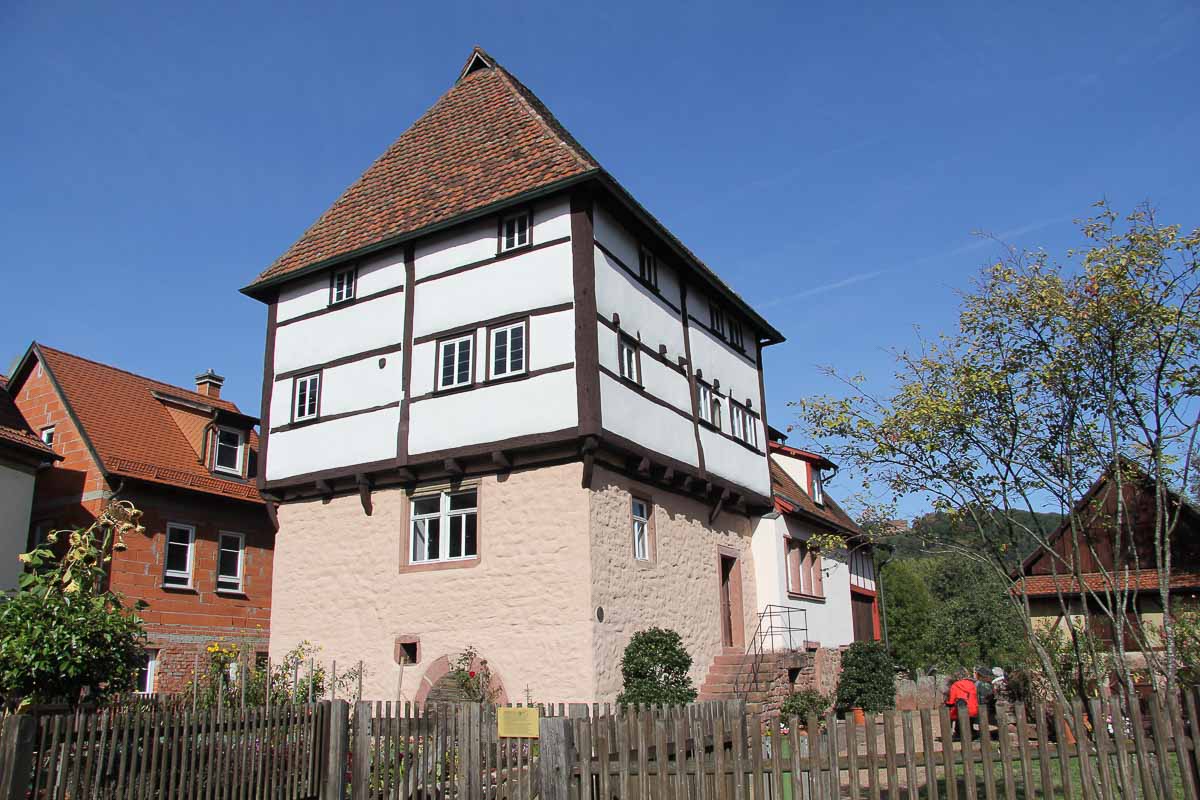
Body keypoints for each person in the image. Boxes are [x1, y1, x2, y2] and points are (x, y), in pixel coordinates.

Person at [946, 670, 979, 739]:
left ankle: (957, 733)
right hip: (973, 709)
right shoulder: (972, 684)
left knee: (951, 713)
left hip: (961, 709)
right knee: (969, 718)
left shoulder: (955, 685)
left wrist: (947, 703)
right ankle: (971, 732)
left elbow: (951, 701)